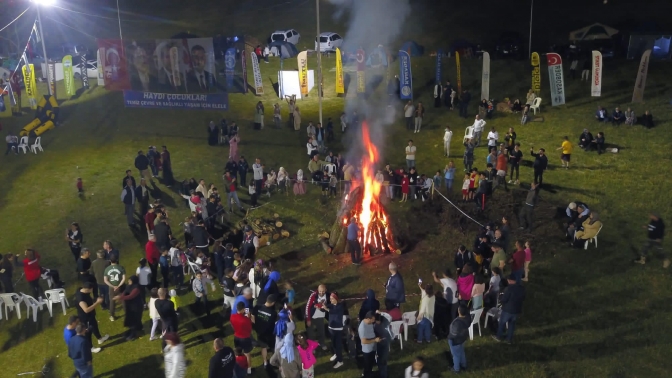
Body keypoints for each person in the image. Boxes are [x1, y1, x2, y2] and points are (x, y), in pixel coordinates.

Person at [76, 281, 108, 353]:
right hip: (85, 317)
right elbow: (86, 310)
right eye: (91, 289)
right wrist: (97, 302)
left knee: (94, 325)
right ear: (87, 289)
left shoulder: (81, 289)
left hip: (91, 315)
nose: (92, 291)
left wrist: (94, 300)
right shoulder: (81, 298)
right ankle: (91, 348)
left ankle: (100, 338)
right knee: (88, 332)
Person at [492, 275, 526, 344]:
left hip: (507, 310)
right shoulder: (521, 288)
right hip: (516, 310)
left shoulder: (508, 289)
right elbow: (523, 298)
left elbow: (504, 299)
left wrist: (501, 300)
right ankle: (509, 339)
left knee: (502, 323)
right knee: (512, 324)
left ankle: (498, 336)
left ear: (509, 281)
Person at [113, 276, 144, 341]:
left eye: (130, 281)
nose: (129, 282)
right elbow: (124, 293)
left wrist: (120, 298)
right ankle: (139, 328)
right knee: (133, 318)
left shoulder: (136, 288)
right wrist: (120, 297)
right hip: (130, 306)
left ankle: (133, 334)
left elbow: (130, 296)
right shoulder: (128, 286)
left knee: (134, 319)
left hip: (136, 306)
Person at [251, 294, 277, 367]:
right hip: (270, 333)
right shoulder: (273, 313)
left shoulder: (257, 307)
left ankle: (265, 362)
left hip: (259, 332)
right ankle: (275, 360)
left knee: (263, 347)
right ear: (273, 303)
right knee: (273, 347)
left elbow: (252, 316)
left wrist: (255, 326)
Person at [230, 301, 254, 375]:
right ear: (243, 309)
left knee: (238, 353)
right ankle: (249, 369)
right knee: (247, 354)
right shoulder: (245, 320)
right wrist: (249, 318)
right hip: (245, 338)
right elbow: (250, 329)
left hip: (236, 337)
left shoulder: (232, 317)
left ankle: (238, 366)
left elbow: (232, 326)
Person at [305, 284, 330, 349]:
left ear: (326, 290)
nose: (321, 293)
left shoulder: (328, 296)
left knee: (321, 332)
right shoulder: (313, 295)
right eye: (320, 291)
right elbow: (308, 307)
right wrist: (308, 319)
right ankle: (312, 347)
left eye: (323, 291)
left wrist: (322, 308)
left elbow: (330, 306)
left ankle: (322, 343)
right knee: (311, 334)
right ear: (318, 290)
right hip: (311, 316)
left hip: (320, 317)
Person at [448, 305, 471, 373]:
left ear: (459, 311)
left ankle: (456, 369)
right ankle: (464, 365)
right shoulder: (468, 317)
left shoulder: (457, 323)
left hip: (455, 341)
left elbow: (453, 334)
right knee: (461, 351)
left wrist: (450, 338)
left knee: (456, 355)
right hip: (463, 338)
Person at [103, 255, 125, 322]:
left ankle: (112, 316)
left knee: (112, 301)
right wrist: (118, 285)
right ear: (117, 260)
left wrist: (113, 286)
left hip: (111, 288)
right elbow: (124, 278)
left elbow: (105, 280)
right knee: (124, 299)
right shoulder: (121, 267)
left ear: (110, 261)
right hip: (121, 286)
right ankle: (127, 313)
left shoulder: (107, 269)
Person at [358, 311, 380, 376]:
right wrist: (375, 340)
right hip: (367, 350)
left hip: (372, 348)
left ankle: (369, 372)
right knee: (367, 365)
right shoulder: (362, 328)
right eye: (373, 320)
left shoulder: (369, 322)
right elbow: (363, 341)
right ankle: (367, 374)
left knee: (370, 364)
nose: (373, 321)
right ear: (368, 318)